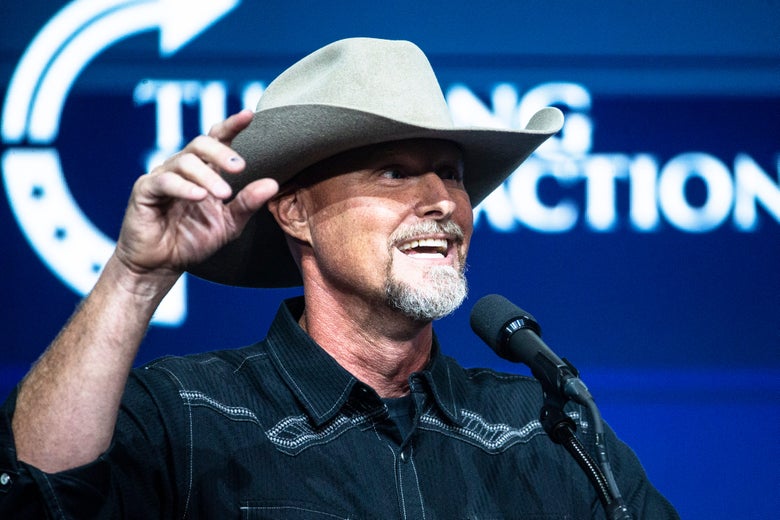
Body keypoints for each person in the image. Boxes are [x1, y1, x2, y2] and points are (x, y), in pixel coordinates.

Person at [0, 38, 678, 518]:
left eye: (452, 173)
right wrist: (135, 276)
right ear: (296, 213)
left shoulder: (541, 428)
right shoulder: (188, 413)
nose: (442, 199)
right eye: (395, 172)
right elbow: (37, 494)